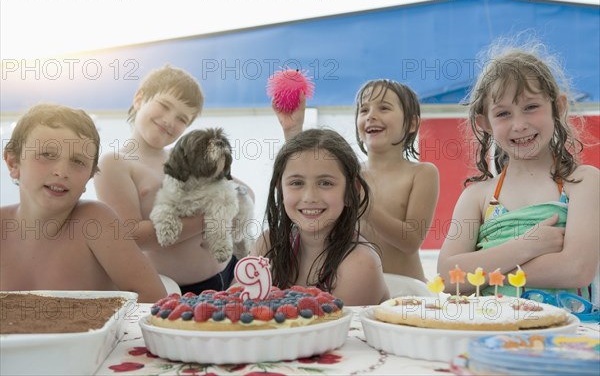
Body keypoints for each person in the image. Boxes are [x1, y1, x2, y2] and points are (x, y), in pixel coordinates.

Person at [437, 42, 599, 297]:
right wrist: (527, 246)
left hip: (565, 336)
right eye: (503, 113)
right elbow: (446, 277)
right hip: (491, 333)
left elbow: (577, 269)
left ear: (558, 107)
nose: (520, 124)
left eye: (531, 107)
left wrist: (484, 270)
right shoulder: (477, 196)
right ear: (485, 123)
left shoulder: (582, 181)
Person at [94, 65, 255, 294]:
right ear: (139, 99)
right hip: (174, 289)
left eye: (182, 118)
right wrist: (212, 213)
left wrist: (235, 201)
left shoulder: (185, 157)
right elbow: (132, 236)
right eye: (165, 106)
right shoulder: (114, 163)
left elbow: (245, 191)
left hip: (230, 273)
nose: (170, 120)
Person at [274, 80, 440, 282]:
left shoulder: (422, 173)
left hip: (405, 290)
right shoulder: (346, 173)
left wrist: (362, 200)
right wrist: (292, 131)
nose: (371, 116)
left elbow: (410, 241)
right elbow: (304, 171)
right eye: (364, 110)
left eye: (384, 108)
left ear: (412, 123)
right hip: (354, 286)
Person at [0, 104, 166, 302]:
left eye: (78, 162)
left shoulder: (95, 223)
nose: (61, 172)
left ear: (89, 177)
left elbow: (155, 300)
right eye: (47, 155)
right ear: (13, 162)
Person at [251, 128, 390, 306]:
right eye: (297, 183)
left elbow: (333, 331)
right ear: (281, 189)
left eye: (325, 183)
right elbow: (234, 305)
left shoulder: (360, 265)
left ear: (351, 191)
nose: (309, 197)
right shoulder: (269, 245)